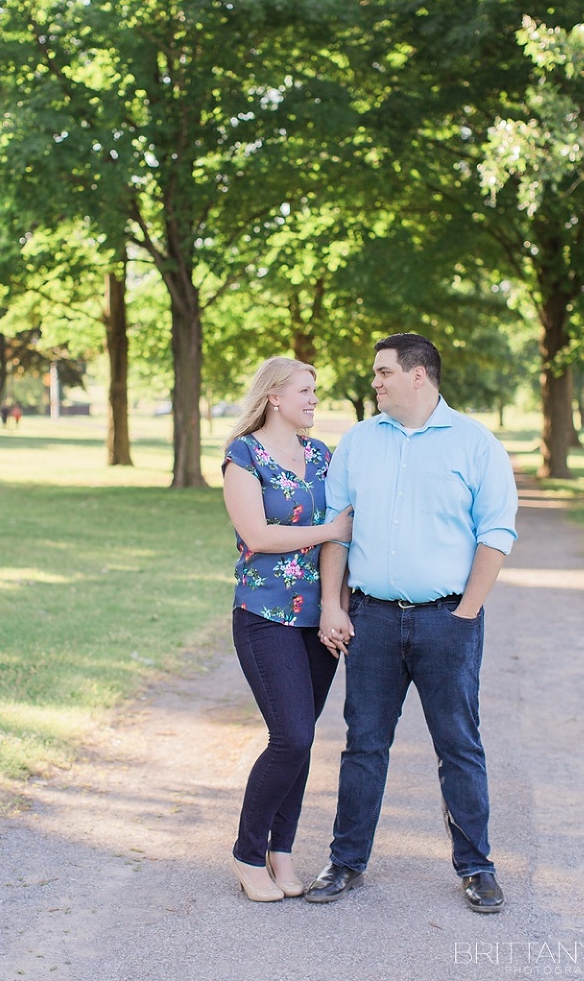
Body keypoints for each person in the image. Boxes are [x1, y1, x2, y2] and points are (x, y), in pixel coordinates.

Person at [304, 333, 517, 913]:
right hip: (371, 620)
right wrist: (333, 603)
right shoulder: (359, 442)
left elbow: (496, 533)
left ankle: (477, 867)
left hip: (448, 620)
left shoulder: (475, 445)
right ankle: (345, 862)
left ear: (418, 375)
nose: (373, 381)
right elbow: (336, 528)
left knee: (459, 746)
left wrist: (465, 613)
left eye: (383, 372)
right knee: (363, 746)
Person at [222, 357, 353, 903]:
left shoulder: (323, 457)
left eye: (316, 391)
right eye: (305, 390)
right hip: (264, 616)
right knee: (292, 736)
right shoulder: (243, 456)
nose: (314, 399)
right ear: (274, 395)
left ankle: (282, 851)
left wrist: (332, 606)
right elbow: (257, 534)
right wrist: (329, 528)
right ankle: (247, 853)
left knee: (303, 742)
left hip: (314, 619)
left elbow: (339, 545)